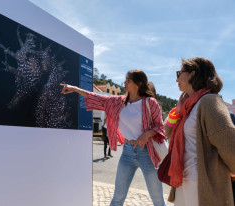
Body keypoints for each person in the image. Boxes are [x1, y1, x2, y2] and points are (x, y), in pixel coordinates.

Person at [61, 69, 166, 206]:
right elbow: (96, 97)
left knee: (158, 200)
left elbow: (159, 127)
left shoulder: (150, 102)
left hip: (147, 152)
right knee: (117, 197)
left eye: (128, 80)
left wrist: (147, 134)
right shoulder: (119, 102)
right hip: (127, 152)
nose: (124, 82)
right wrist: (75, 89)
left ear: (139, 83)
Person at [164, 57, 235, 206]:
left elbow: (228, 142)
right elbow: (167, 133)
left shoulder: (209, 101)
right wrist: (178, 111)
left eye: (179, 73)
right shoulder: (187, 106)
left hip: (202, 183)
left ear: (192, 74)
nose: (177, 80)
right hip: (183, 179)